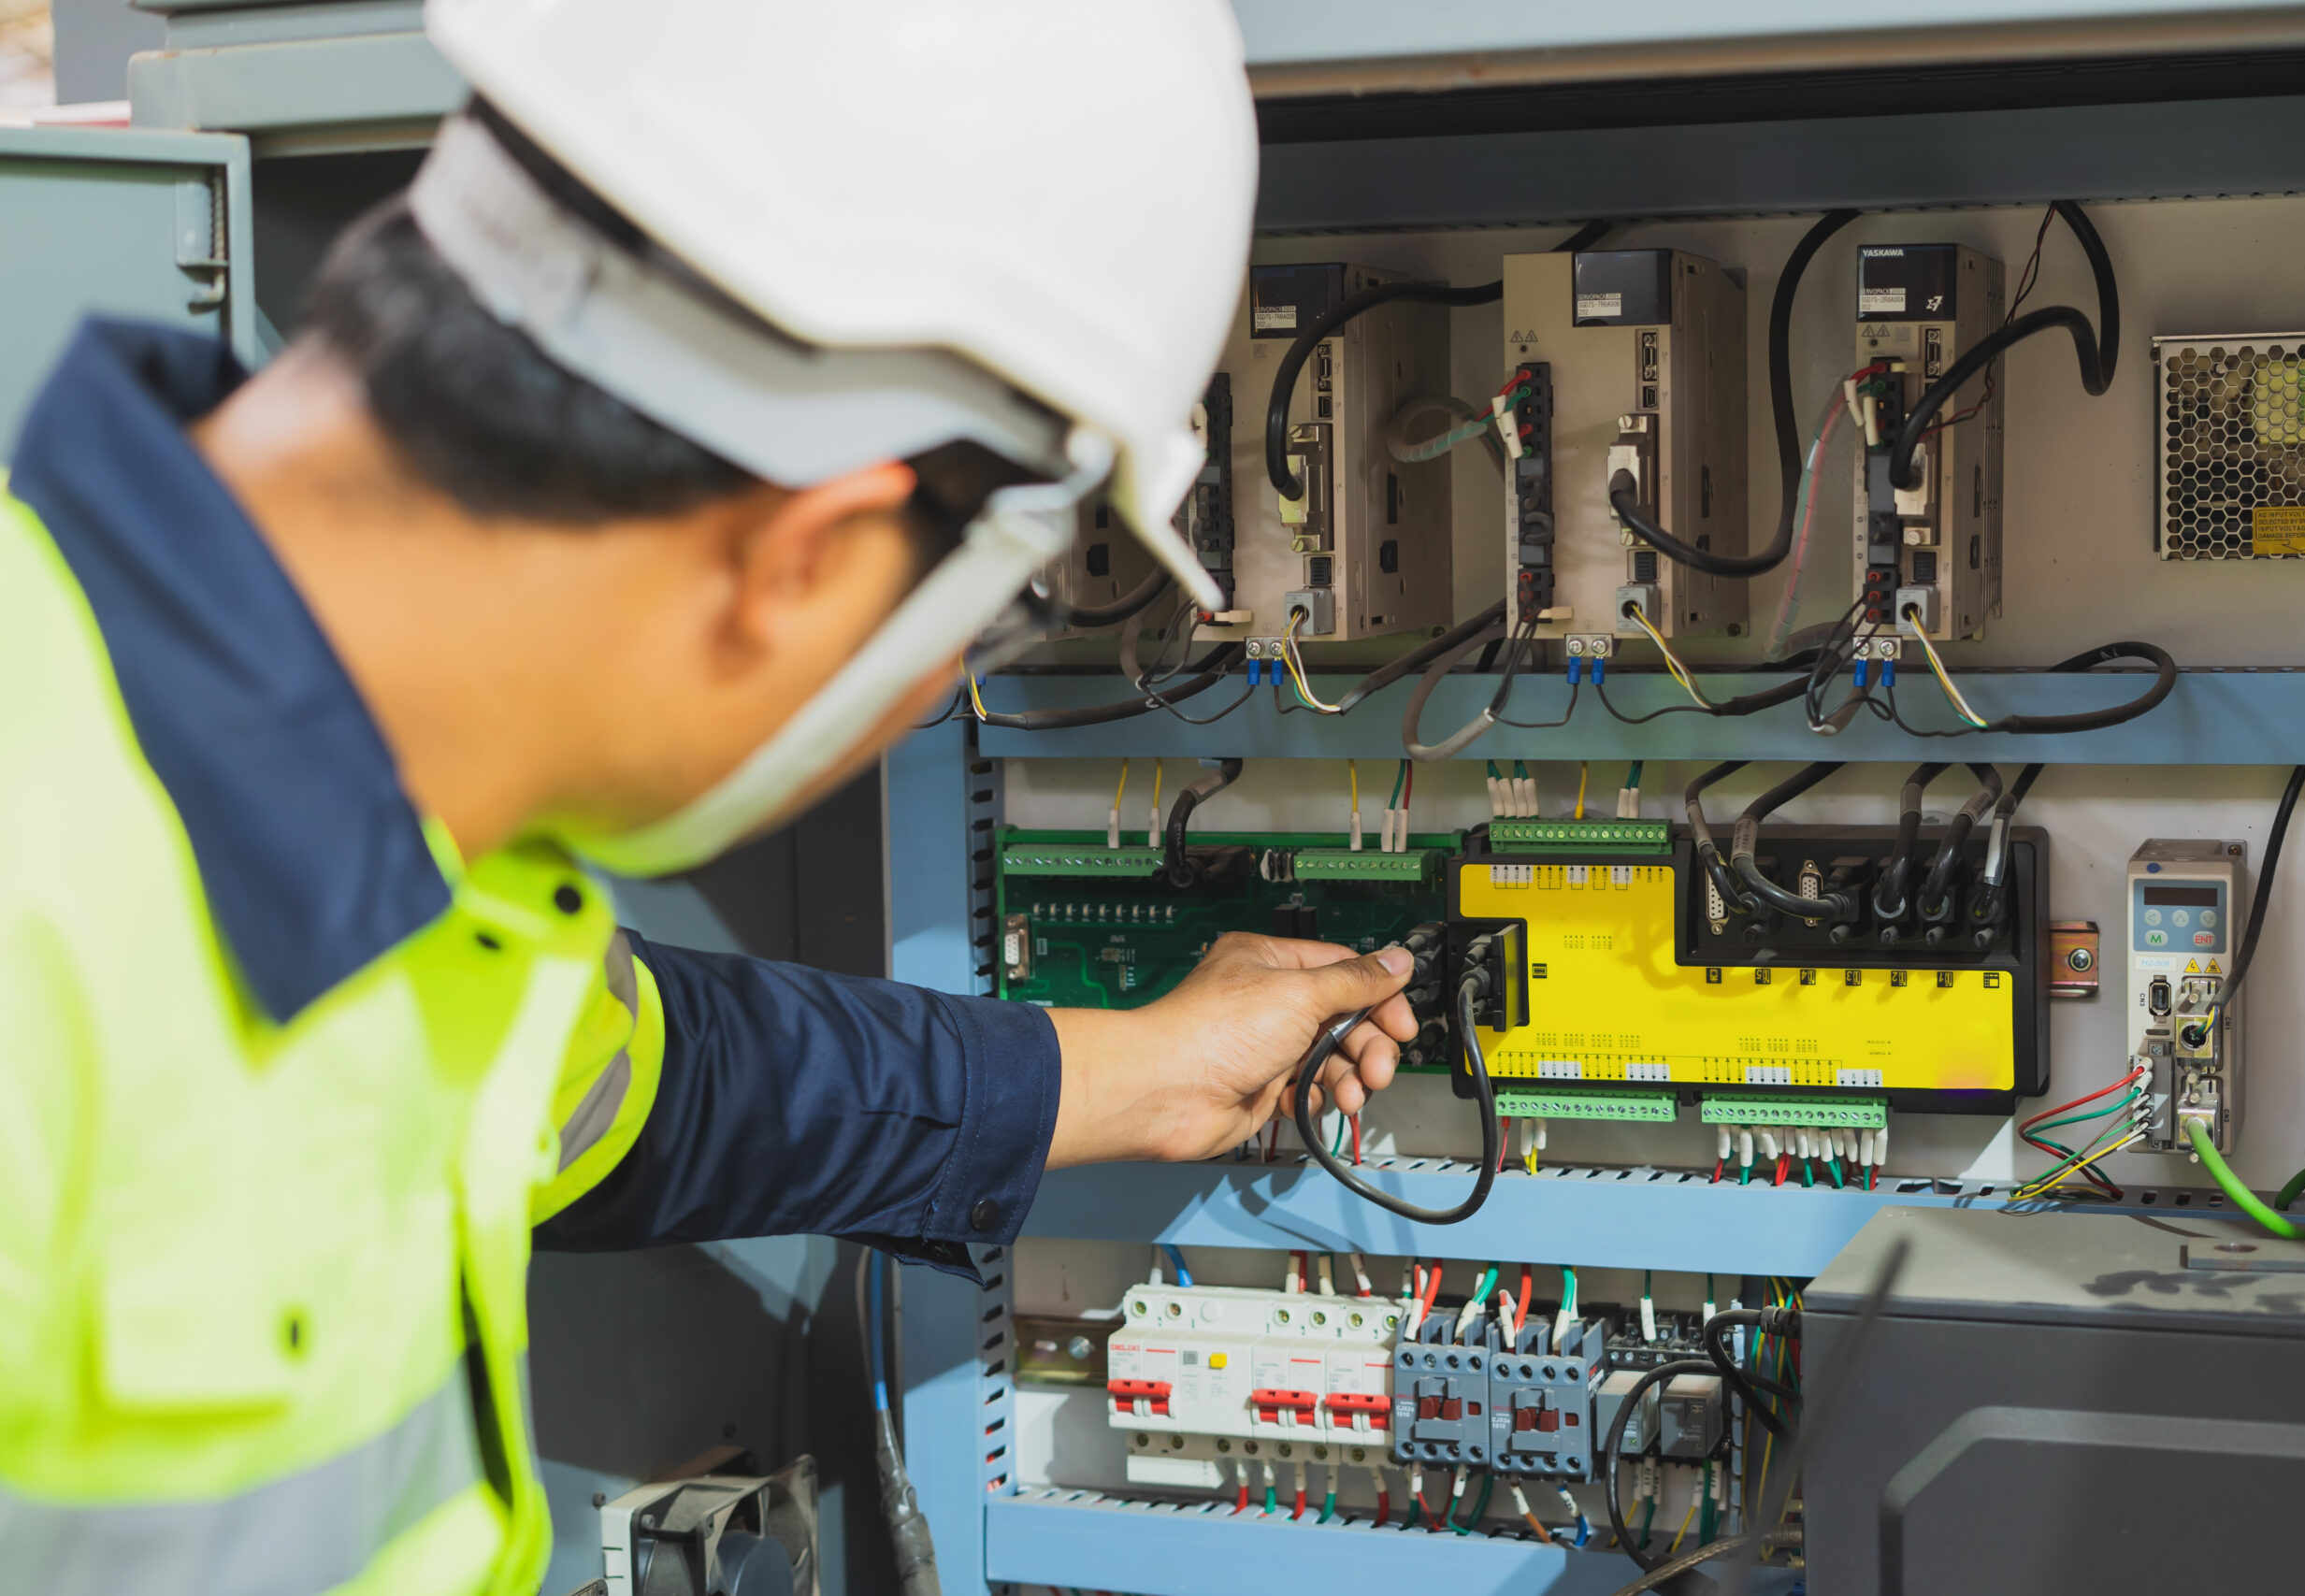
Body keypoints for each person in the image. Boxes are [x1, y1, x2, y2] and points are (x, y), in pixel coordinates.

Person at [0, 3, 1420, 1590]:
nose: (938, 700)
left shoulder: (383, 853)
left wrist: (1132, 1070)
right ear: (802, 558)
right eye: (990, 626)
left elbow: (658, 1090)